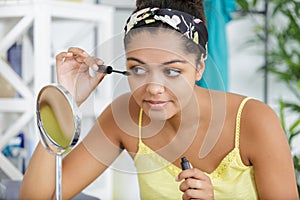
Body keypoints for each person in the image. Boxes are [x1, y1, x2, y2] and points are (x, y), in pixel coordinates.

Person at [19, 0, 298, 199]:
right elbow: (39, 197)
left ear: (200, 65)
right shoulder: (126, 116)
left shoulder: (253, 121)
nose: (153, 88)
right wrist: (65, 100)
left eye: (172, 71)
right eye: (138, 69)